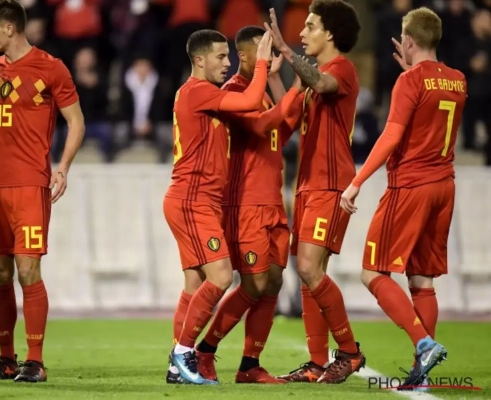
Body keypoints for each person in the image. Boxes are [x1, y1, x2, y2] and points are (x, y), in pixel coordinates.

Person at [340, 7, 465, 389]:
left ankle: (423, 343)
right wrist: (413, 73)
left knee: (373, 272)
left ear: (408, 40)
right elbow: (430, 113)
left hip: (411, 186)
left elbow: (392, 136)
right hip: (444, 186)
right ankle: (421, 371)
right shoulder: (458, 80)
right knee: (422, 281)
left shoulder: (410, 81)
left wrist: (357, 181)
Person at [0, 0, 85, 383]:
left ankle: (35, 361)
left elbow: (76, 122)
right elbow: (6, 115)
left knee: (27, 270)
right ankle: (6, 359)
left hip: (29, 184)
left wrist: (63, 166)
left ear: (9, 28)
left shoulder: (51, 67)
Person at [192, 25, 303, 384]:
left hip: (272, 200)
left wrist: (279, 81)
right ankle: (205, 349)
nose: (269, 55)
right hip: (246, 204)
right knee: (253, 284)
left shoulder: (263, 92)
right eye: (263, 48)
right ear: (244, 55)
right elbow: (259, 127)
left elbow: (285, 127)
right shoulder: (232, 92)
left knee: (273, 282)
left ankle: (249, 365)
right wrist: (296, 87)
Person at [264, 0, 365, 384]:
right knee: (309, 273)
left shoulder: (342, 70)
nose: (302, 33)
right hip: (306, 184)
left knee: (308, 268)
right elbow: (287, 119)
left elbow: (322, 84)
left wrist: (286, 50)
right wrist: (275, 77)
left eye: (310, 26)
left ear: (331, 33)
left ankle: (350, 352)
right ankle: (316, 363)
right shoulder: (308, 79)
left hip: (330, 182)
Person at [164, 28, 273, 385]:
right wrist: (261, 64)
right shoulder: (198, 91)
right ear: (199, 60)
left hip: (199, 200)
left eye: (229, 56)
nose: (227, 63)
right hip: (192, 199)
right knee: (222, 277)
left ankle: (177, 366)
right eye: (221, 56)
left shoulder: (200, 94)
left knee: (194, 284)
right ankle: (183, 353)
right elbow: (251, 100)